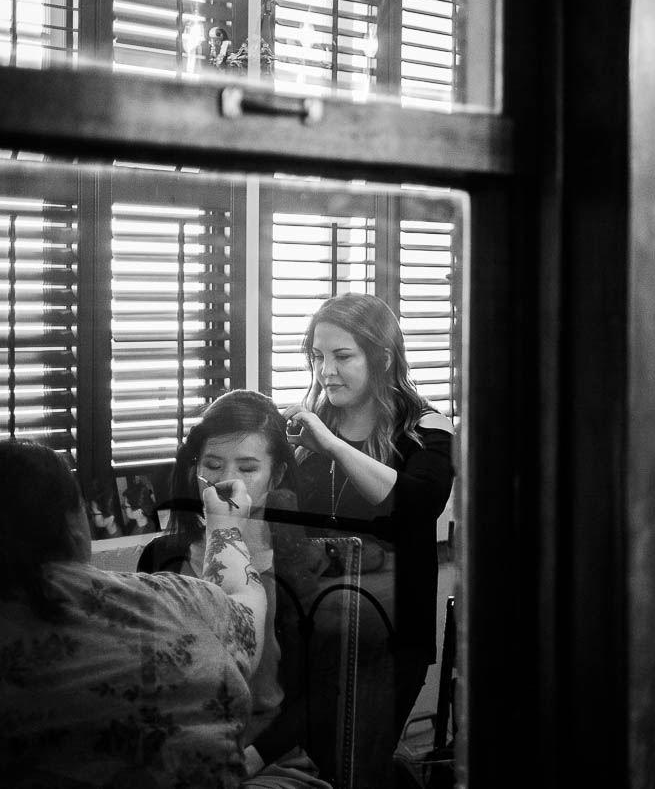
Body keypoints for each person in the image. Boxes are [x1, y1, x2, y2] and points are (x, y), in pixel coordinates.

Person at [0, 437, 267, 787]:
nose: (226, 475)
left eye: (247, 466)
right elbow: (243, 597)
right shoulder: (179, 599)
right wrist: (225, 524)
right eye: (213, 465)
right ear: (74, 522)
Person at [283, 293, 455, 777]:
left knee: (359, 765)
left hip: (391, 637)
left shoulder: (426, 427)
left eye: (342, 356)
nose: (325, 371)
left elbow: (416, 502)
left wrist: (333, 446)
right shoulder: (310, 431)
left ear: (381, 358)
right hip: (311, 629)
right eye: (318, 356)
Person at [138, 389, 329, 787]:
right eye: (213, 464)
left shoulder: (296, 560)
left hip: (267, 755)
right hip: (179, 752)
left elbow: (317, 696)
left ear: (275, 476)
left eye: (247, 468)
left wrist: (249, 760)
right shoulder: (163, 557)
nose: (227, 482)